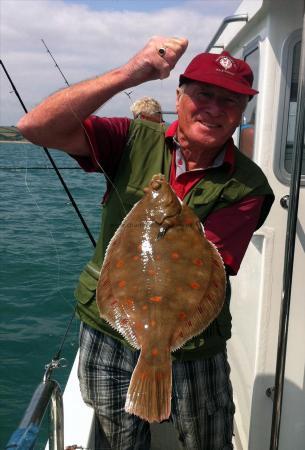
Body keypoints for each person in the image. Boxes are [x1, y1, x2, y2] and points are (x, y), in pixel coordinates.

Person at [17, 36, 274, 450]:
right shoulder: (132, 139)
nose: (213, 107)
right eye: (203, 94)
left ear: (243, 112)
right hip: (107, 332)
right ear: (179, 95)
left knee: (207, 440)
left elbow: (211, 264)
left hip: (194, 346)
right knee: (121, 441)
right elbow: (35, 127)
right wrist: (130, 72)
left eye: (230, 101)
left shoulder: (249, 185)